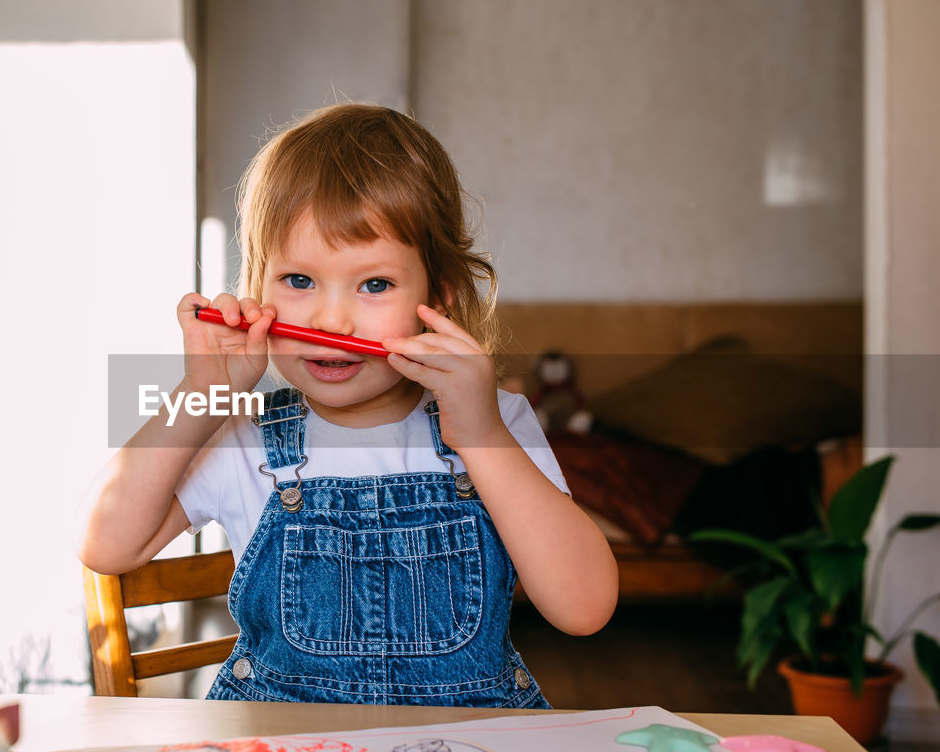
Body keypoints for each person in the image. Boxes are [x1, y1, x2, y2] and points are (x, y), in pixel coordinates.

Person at [80, 104, 617, 707]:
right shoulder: (241, 436)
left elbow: (585, 609)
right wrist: (203, 394)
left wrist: (479, 434)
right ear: (257, 288)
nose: (330, 319)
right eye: (299, 281)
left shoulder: (497, 424)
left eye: (375, 284)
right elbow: (104, 543)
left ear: (437, 297)